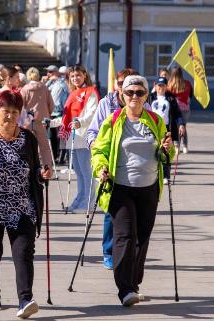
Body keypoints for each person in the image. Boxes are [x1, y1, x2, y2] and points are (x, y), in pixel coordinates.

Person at [0, 90, 51, 319]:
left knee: (23, 253)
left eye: (15, 112)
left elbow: (34, 170)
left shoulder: (28, 138)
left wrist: (42, 174)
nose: (11, 116)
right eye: (6, 111)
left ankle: (25, 299)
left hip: (22, 206)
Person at [91, 75, 174, 307]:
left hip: (148, 189)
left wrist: (168, 149)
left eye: (139, 92)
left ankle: (133, 284)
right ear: (122, 95)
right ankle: (124, 289)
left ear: (146, 95)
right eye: (130, 93)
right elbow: (99, 150)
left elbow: (165, 154)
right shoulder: (113, 120)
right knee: (125, 237)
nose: (134, 97)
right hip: (121, 188)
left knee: (142, 238)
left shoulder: (156, 121)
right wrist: (101, 167)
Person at [86, 68, 138, 270]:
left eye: (128, 83)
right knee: (110, 210)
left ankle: (130, 251)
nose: (124, 87)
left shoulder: (143, 103)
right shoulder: (106, 104)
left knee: (134, 213)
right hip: (110, 166)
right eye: (120, 83)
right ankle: (108, 252)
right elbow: (93, 132)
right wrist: (98, 155)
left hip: (135, 167)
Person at [47, 65, 100, 213]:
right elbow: (66, 117)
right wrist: (51, 123)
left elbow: (92, 113)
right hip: (73, 136)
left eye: (78, 75)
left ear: (84, 75)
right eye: (72, 76)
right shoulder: (73, 93)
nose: (75, 78)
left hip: (84, 135)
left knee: (86, 171)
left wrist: (80, 122)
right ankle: (80, 199)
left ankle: (88, 202)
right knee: (78, 171)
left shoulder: (91, 91)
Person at [149, 76, 186, 183]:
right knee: (153, 150)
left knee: (166, 151)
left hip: (166, 128)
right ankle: (154, 174)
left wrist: (181, 125)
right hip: (152, 127)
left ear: (166, 87)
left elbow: (178, 114)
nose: (160, 88)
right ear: (155, 86)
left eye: (163, 86)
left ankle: (165, 175)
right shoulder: (150, 97)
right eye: (159, 86)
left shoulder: (171, 98)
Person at [20, 67, 54, 168]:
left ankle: (28, 167)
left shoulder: (25, 89)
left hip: (28, 120)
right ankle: (47, 168)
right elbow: (51, 105)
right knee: (44, 147)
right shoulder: (44, 88)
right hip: (42, 120)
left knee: (26, 144)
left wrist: (22, 120)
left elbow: (21, 106)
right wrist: (47, 114)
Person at [44, 65, 69, 162]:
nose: (48, 74)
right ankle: (54, 156)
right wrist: (46, 82)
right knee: (51, 136)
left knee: (60, 136)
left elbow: (66, 91)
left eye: (50, 72)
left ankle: (61, 157)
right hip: (50, 112)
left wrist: (57, 79)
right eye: (48, 72)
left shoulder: (62, 82)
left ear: (56, 72)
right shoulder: (49, 83)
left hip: (59, 112)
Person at [168, 67, 192, 154]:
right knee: (183, 127)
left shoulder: (169, 84)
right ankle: (185, 146)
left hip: (174, 109)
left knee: (175, 127)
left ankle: (177, 146)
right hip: (185, 108)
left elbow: (167, 96)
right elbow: (191, 94)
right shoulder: (187, 83)